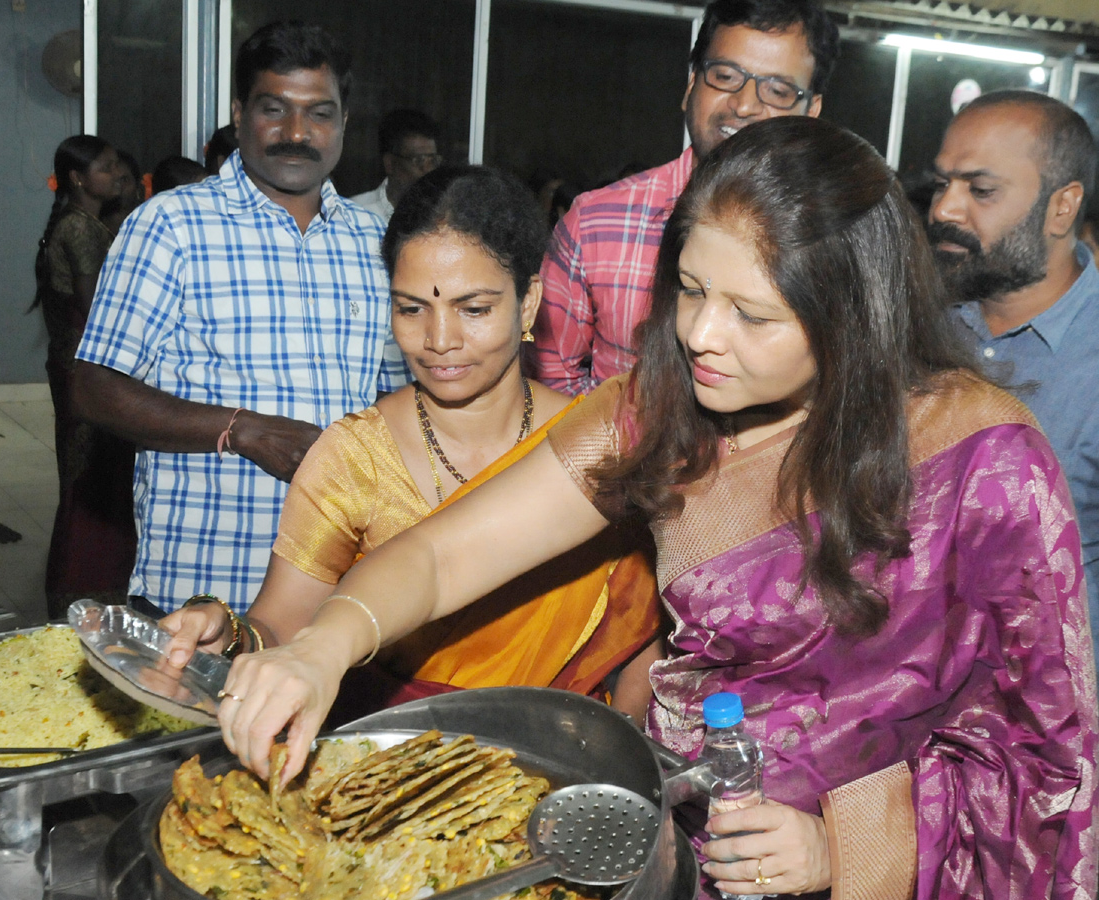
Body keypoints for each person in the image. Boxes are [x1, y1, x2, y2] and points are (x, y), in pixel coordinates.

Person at [207, 118, 1098, 900]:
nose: (703, 335)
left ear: (853, 314)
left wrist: (844, 843)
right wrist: (325, 646)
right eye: (694, 290)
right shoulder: (660, 411)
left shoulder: (981, 459)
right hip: (685, 833)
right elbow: (444, 555)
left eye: (753, 313)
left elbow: (1046, 757)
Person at [162, 166, 661, 722]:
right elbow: (281, 628)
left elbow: (639, 638)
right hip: (392, 765)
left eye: (473, 309)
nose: (439, 341)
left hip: (562, 766)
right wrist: (225, 635)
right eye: (410, 308)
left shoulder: (592, 447)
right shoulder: (356, 458)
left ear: (527, 304)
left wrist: (628, 764)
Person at [73, 21, 408, 615]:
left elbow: (393, 396)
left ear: (345, 122)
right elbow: (95, 388)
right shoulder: (171, 226)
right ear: (238, 112)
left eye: (320, 113)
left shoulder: (376, 241)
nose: (297, 133)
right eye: (274, 109)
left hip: (338, 592)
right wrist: (243, 430)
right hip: (205, 588)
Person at [532, 0, 839, 394]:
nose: (744, 104)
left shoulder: (836, 236)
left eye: (778, 90)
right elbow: (550, 377)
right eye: (725, 76)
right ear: (692, 85)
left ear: (810, 111)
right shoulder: (595, 223)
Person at [928, 90, 1099, 674]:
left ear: (1062, 206)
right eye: (943, 184)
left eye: (980, 190)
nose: (945, 210)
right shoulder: (916, 325)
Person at [33, 136, 138, 618]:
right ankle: (83, 587)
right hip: (86, 367)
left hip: (74, 360)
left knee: (93, 475)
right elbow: (98, 310)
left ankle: (88, 583)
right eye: (107, 167)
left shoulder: (86, 223)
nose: (117, 175)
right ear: (78, 178)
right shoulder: (80, 230)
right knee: (90, 477)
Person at [349, 108, 442, 223]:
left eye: (432, 160)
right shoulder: (355, 214)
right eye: (419, 160)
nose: (428, 170)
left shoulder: (442, 214)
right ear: (390, 163)